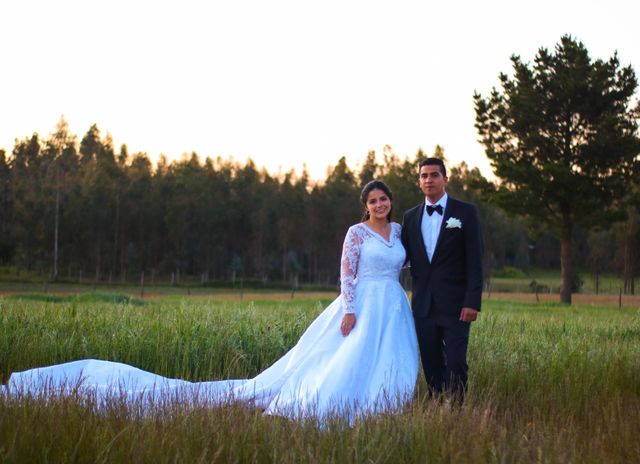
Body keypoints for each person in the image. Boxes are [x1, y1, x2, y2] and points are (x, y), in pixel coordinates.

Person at [4, 181, 419, 423]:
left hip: (394, 307)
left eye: (384, 200)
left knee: (389, 358)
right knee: (345, 357)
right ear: (365, 206)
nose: (380, 205)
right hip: (361, 304)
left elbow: (409, 263)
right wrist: (349, 309)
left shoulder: (399, 232)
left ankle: (387, 404)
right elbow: (347, 273)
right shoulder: (356, 233)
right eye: (373, 201)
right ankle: (334, 404)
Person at [401, 158, 483, 403]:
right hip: (423, 305)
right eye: (424, 175)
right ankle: (437, 406)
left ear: (445, 179)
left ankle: (456, 412)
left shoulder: (465, 213)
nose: (429, 179)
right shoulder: (410, 216)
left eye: (434, 175)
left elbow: (475, 261)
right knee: (431, 361)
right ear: (419, 181)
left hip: (457, 304)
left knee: (456, 362)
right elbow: (401, 256)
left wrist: (472, 301)